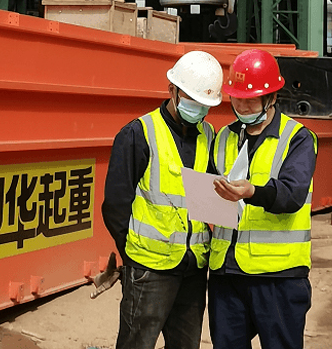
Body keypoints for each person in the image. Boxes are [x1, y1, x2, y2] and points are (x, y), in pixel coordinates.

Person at [102, 50, 224, 349]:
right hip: (149, 269)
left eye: (204, 104)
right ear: (172, 90)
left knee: (186, 344)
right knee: (137, 343)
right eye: (192, 100)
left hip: (193, 267)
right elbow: (115, 204)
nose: (198, 109)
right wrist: (133, 257)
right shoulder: (138, 133)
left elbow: (209, 199)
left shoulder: (208, 135)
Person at [209, 48, 318, 349]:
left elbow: (292, 195)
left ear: (271, 97)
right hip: (226, 273)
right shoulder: (224, 137)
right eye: (236, 97)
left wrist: (252, 192)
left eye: (249, 98)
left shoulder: (297, 138)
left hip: (278, 277)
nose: (241, 106)